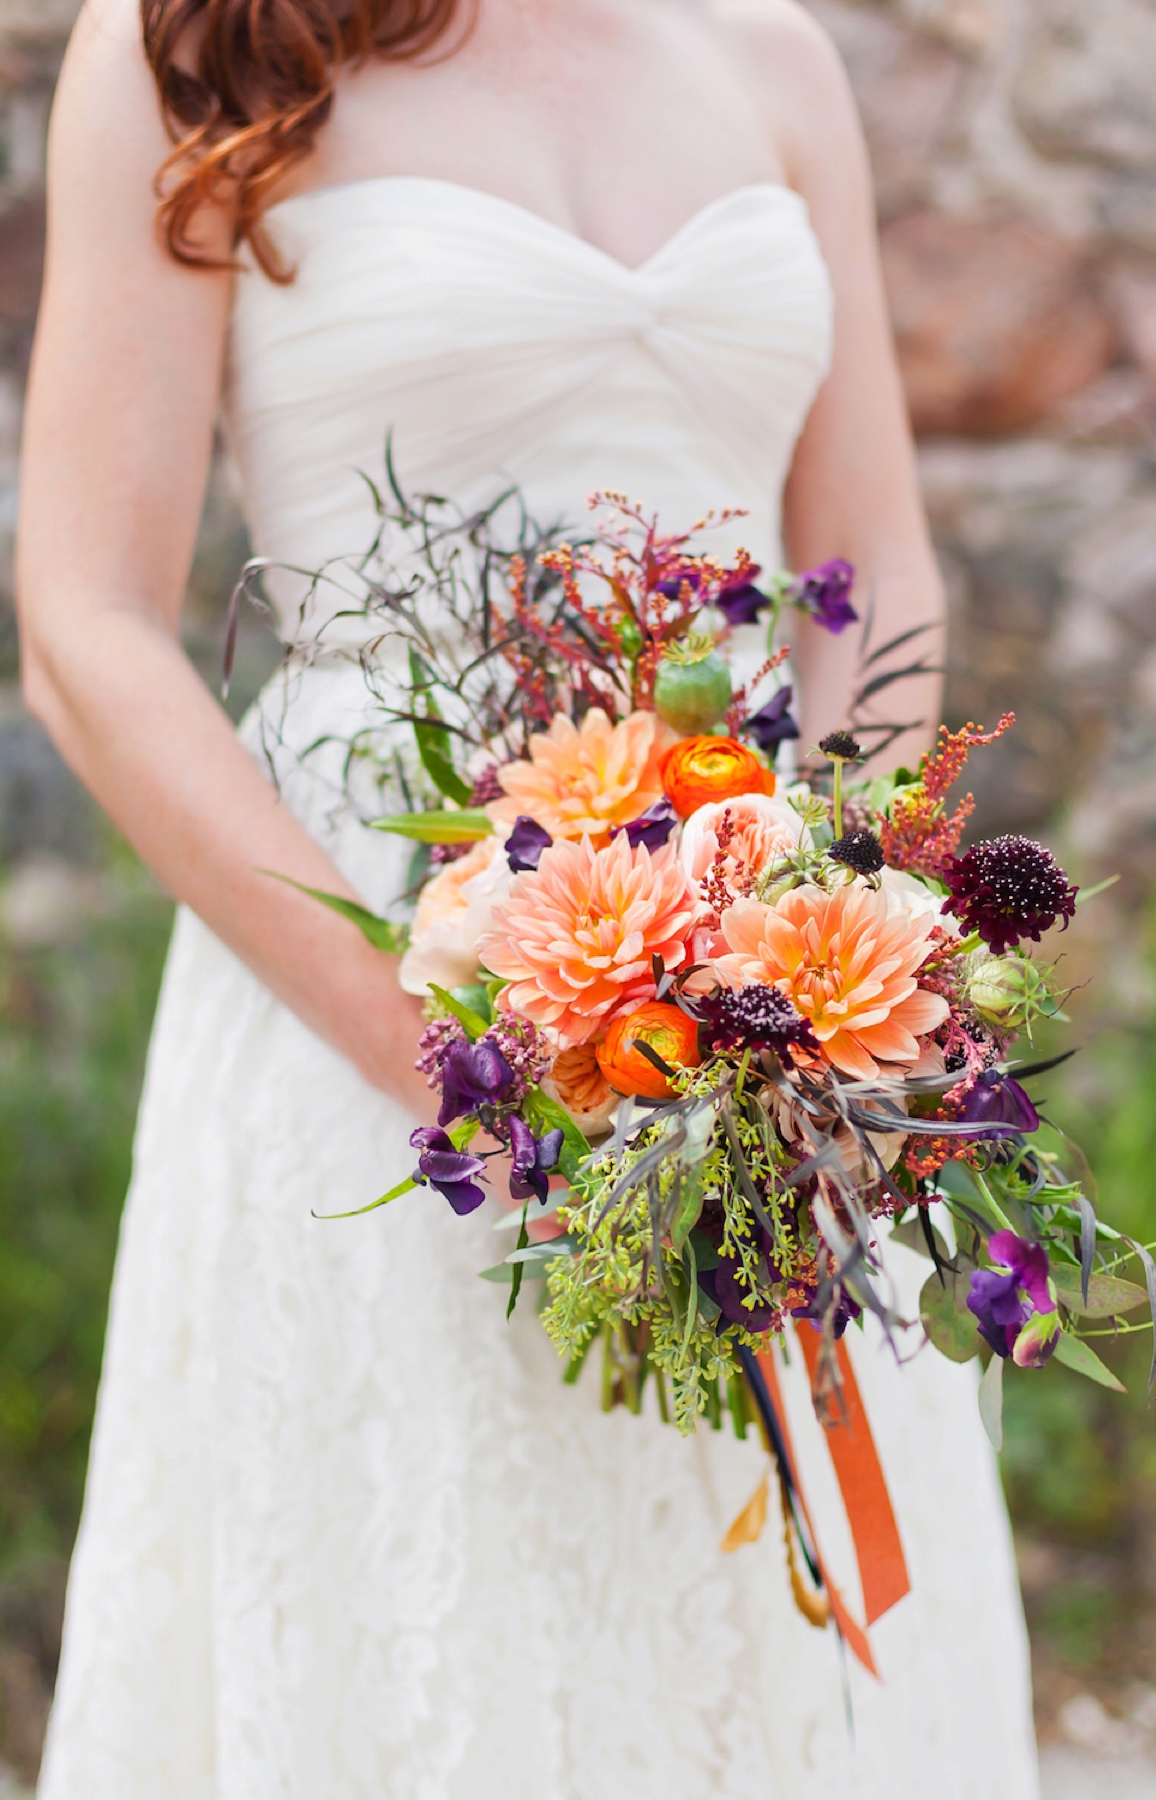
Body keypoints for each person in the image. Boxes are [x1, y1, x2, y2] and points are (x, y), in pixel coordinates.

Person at [17, 0, 1040, 1793]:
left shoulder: (777, 59)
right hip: (368, 964)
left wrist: (843, 936)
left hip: (759, 1004)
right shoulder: (197, 40)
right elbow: (85, 627)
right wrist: (438, 1061)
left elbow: (871, 572)